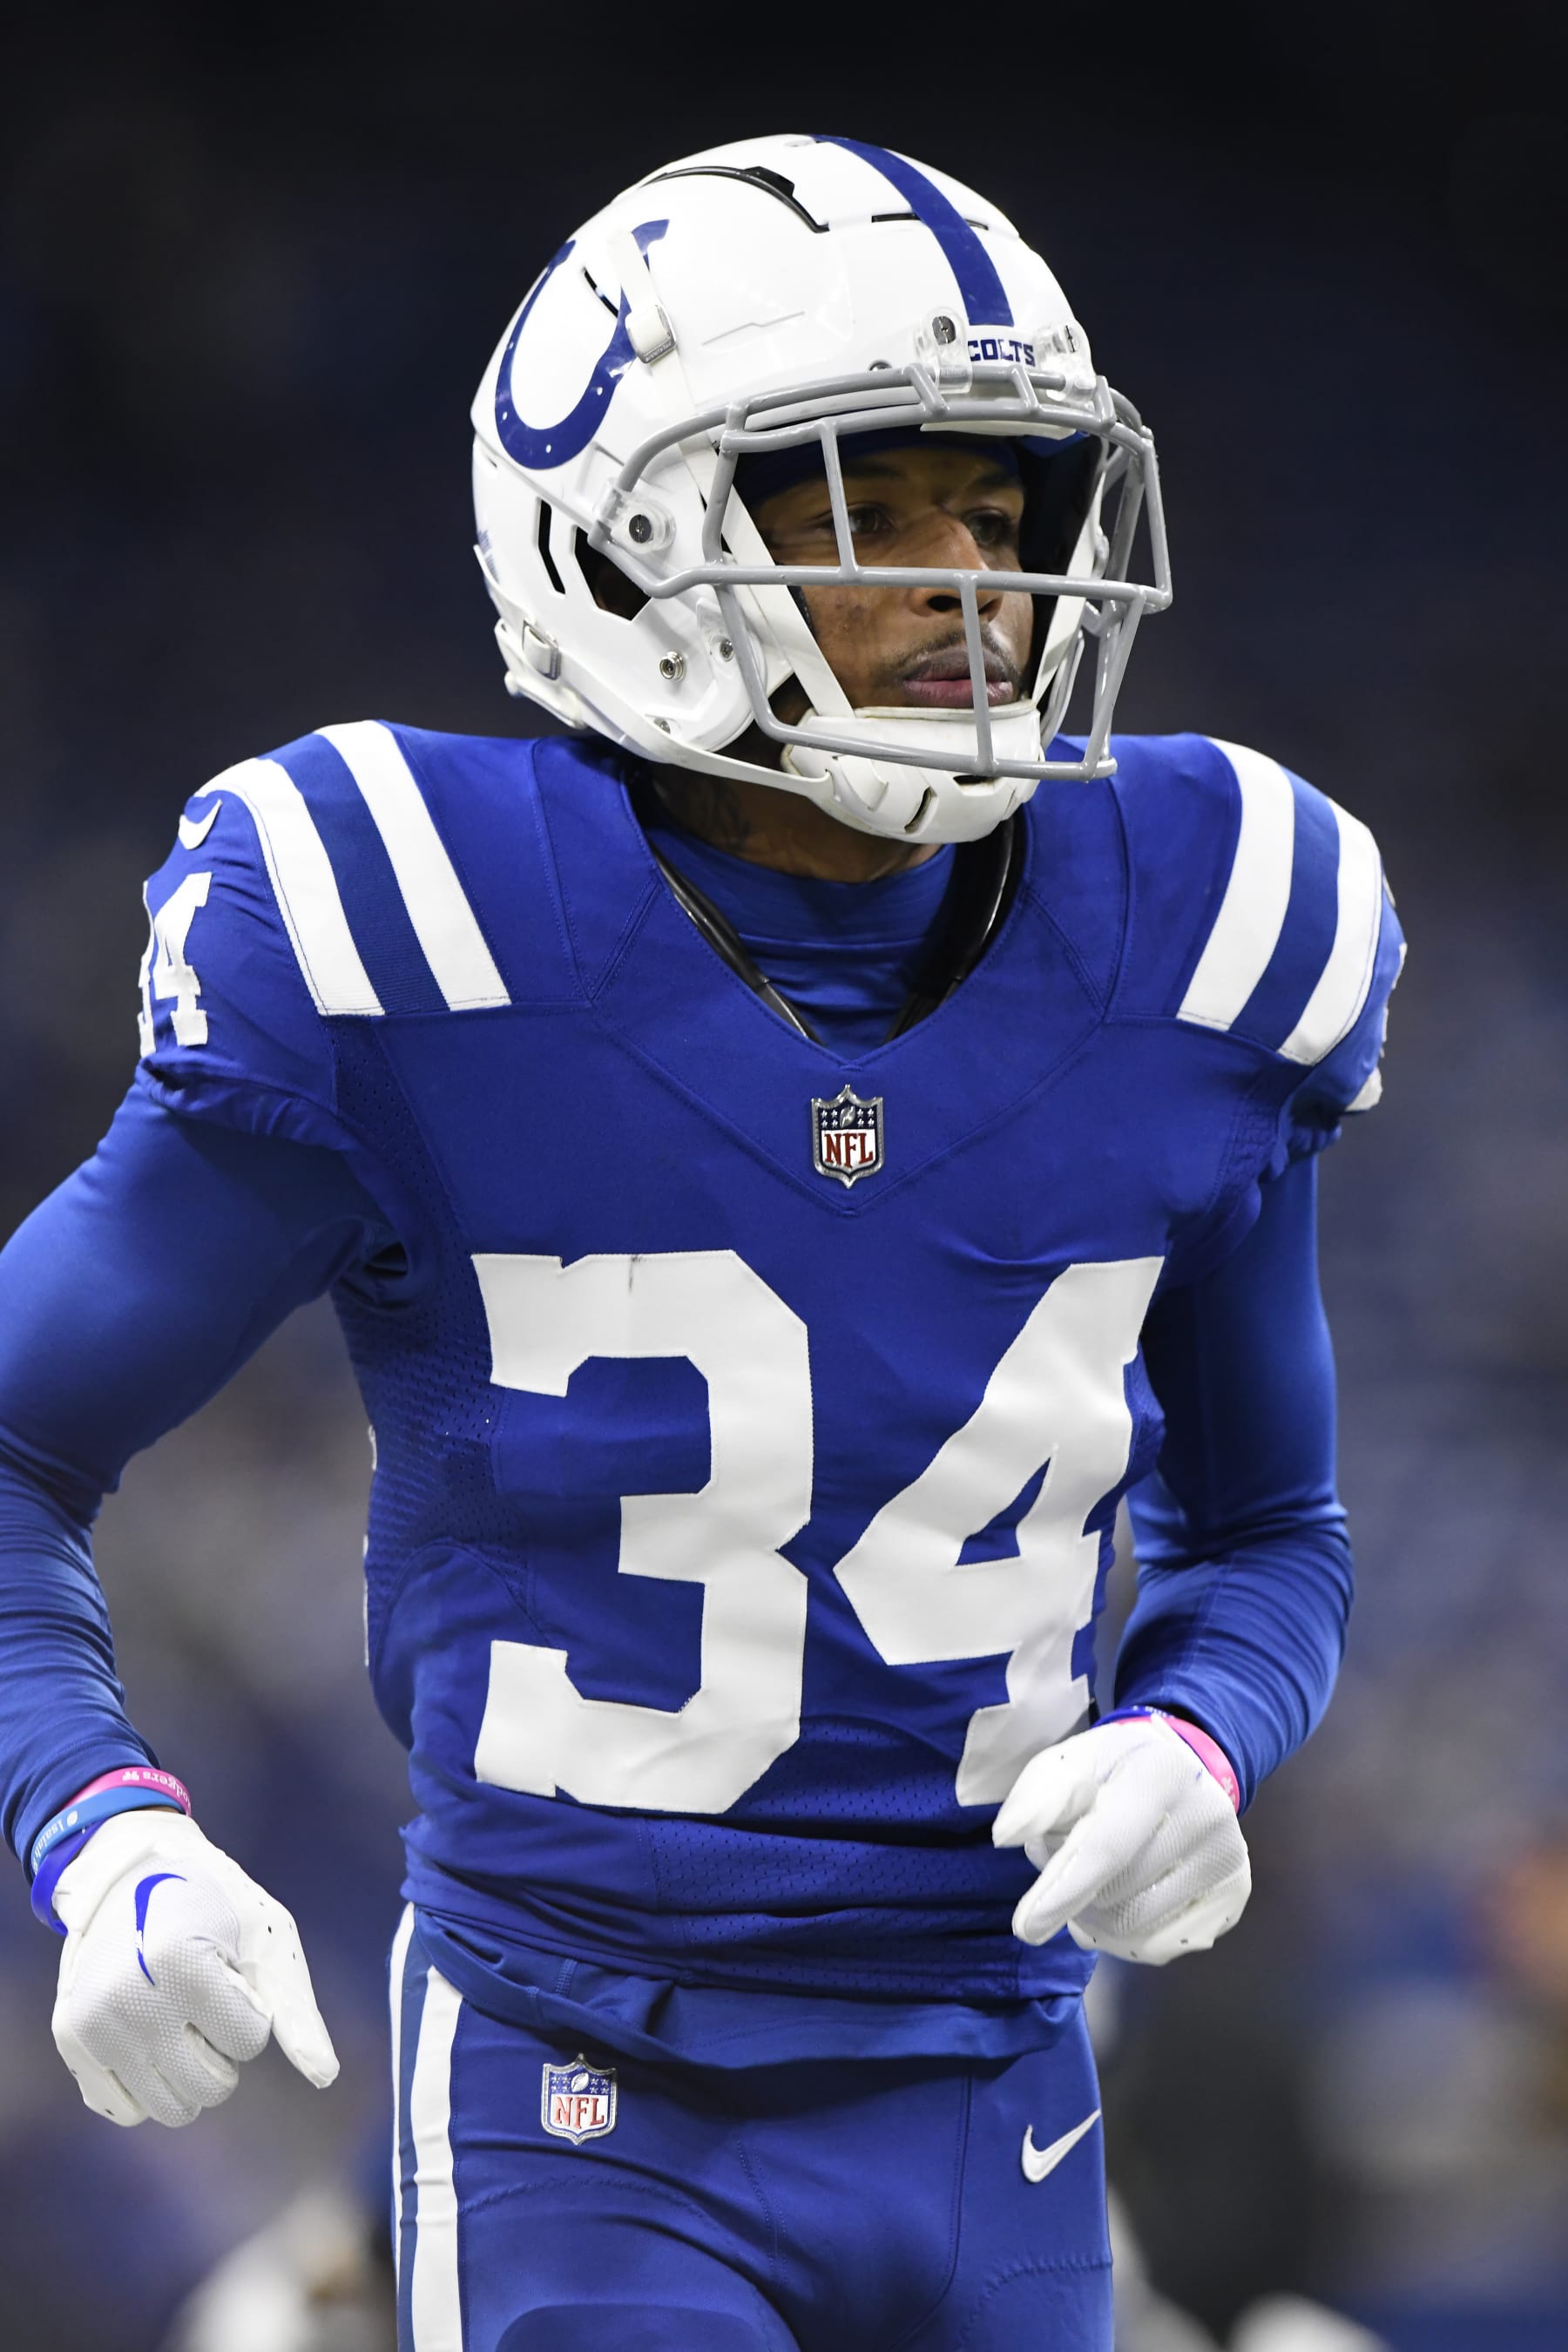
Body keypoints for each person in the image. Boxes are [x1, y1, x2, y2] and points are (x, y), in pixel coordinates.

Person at [0, 134, 1402, 2351]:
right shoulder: (409, 924)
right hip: (582, 2095)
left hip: (1005, 2081)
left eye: (1001, 508)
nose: (974, 578)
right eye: (875, 505)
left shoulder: (1217, 926)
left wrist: (1203, 1733)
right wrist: (105, 1834)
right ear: (621, 548)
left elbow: (1273, 1535)